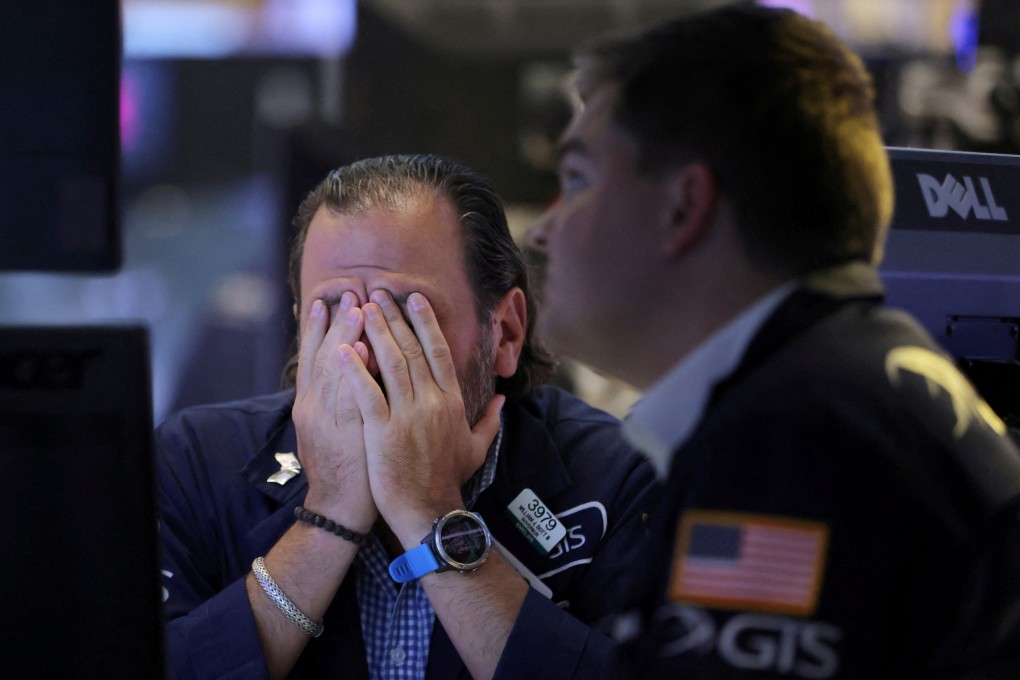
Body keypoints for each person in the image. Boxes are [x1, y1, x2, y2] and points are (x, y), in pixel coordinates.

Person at [525, 5, 1020, 678]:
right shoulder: (840, 386)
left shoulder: (789, 440)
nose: (540, 233)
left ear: (682, 208)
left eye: (579, 180)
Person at [157, 154, 658, 679]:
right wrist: (328, 516)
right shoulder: (191, 460)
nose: (367, 353)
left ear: (505, 333)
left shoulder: (619, 475)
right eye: (332, 314)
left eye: (405, 314)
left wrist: (431, 514)